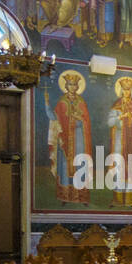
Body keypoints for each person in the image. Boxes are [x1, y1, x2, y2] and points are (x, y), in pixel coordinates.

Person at [48, 72, 91, 205]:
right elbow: (55, 119)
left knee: (80, 166)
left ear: (78, 87)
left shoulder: (81, 102)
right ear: (66, 86)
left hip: (79, 141)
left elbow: (87, 122)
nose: (72, 87)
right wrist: (47, 107)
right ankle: (65, 196)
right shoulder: (62, 102)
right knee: (65, 167)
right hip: (65, 141)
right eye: (70, 85)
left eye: (74, 85)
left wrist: (80, 119)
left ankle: (81, 196)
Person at [107, 77, 132, 207]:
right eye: (124, 89)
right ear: (121, 90)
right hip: (119, 142)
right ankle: (118, 199)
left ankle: (130, 199)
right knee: (119, 168)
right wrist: (120, 117)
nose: (126, 92)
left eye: (128, 90)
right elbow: (110, 122)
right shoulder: (116, 105)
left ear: (131, 91)